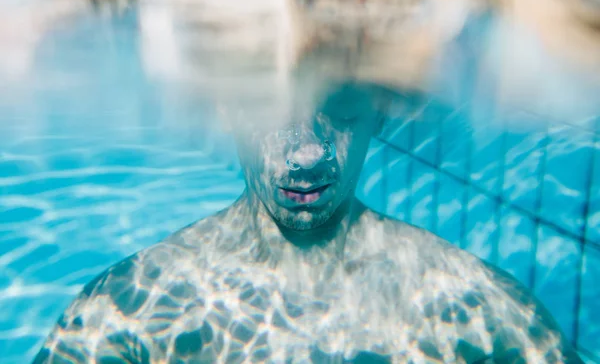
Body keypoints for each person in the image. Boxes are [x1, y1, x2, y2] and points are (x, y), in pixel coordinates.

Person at [34, 82, 582, 363]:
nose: (307, 152)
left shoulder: (477, 312)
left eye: (340, 109)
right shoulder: (132, 310)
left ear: (378, 112)